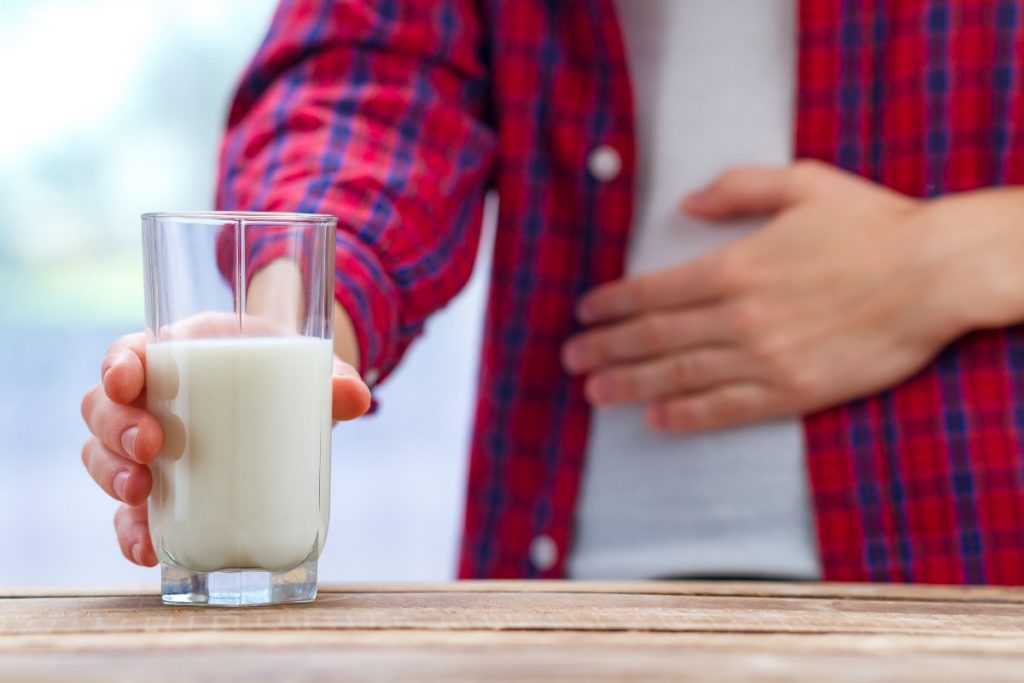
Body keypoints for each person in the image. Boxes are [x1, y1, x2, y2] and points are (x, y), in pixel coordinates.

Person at [81, 0, 1024, 583]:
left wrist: (953, 255)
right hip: (563, 584)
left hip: (971, 570)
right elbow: (373, 68)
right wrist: (294, 326)